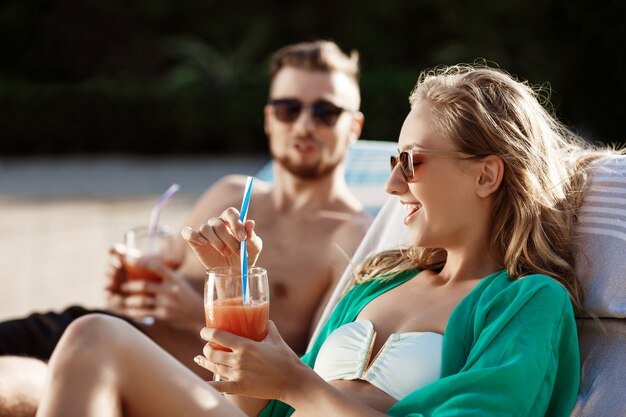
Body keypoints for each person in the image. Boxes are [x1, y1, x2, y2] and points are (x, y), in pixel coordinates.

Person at [35, 63, 620, 417]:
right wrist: (234, 287)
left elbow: (297, 388)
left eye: (411, 162)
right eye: (394, 160)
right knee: (92, 337)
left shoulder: (527, 303)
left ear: (486, 174)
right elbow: (257, 404)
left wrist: (295, 383)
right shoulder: (381, 278)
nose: (392, 183)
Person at [0, 40, 371, 417]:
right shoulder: (230, 191)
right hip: (96, 328)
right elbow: (161, 282)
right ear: (269, 118)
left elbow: (310, 367)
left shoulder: (352, 239)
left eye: (325, 112)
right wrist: (130, 289)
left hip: (169, 380)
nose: (304, 124)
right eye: (288, 108)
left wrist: (198, 312)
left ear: (354, 126)